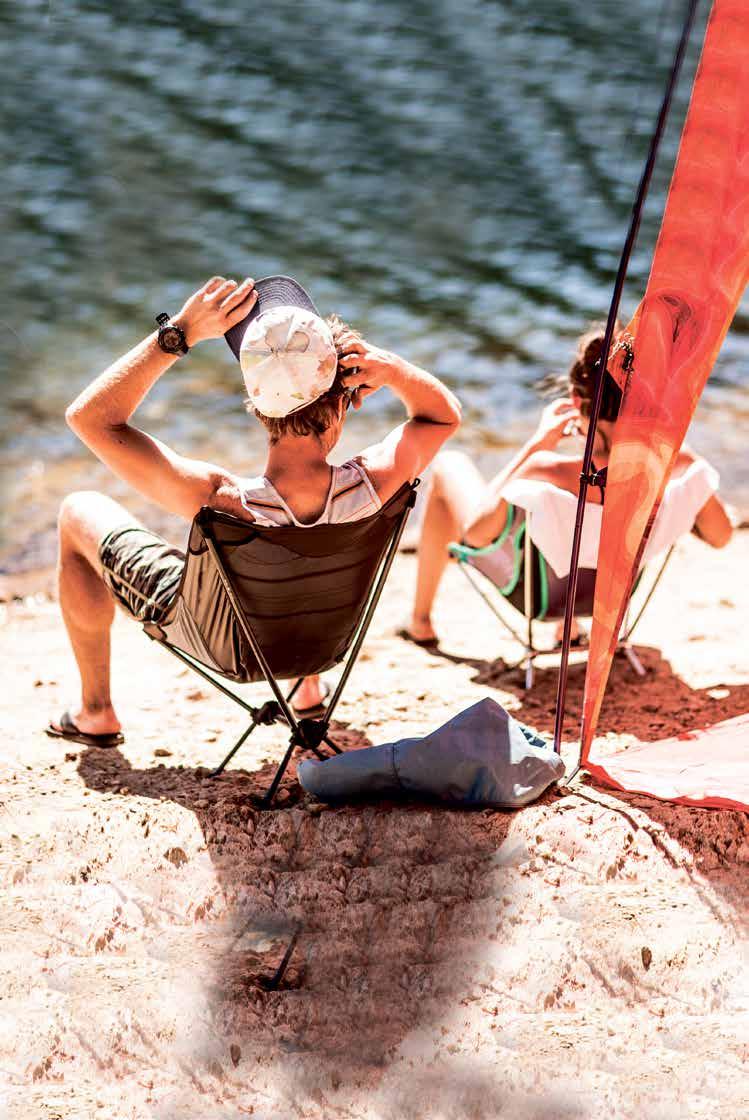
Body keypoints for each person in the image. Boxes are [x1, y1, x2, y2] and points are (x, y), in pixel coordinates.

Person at [48, 274, 461, 747]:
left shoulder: (221, 501)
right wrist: (396, 371)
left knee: (78, 510)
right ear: (345, 400)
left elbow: (90, 418)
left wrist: (177, 334)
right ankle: (307, 688)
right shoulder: (374, 483)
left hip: (229, 648)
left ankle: (96, 712)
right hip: (322, 644)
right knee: (304, 553)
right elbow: (443, 415)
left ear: (258, 405)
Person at [405, 324, 733, 647]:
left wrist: (538, 443)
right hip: (611, 595)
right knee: (577, 518)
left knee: (450, 465)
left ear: (576, 400)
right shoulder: (676, 466)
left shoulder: (546, 470)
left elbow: (476, 534)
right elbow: (720, 536)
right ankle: (568, 626)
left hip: (538, 597)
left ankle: (421, 621)